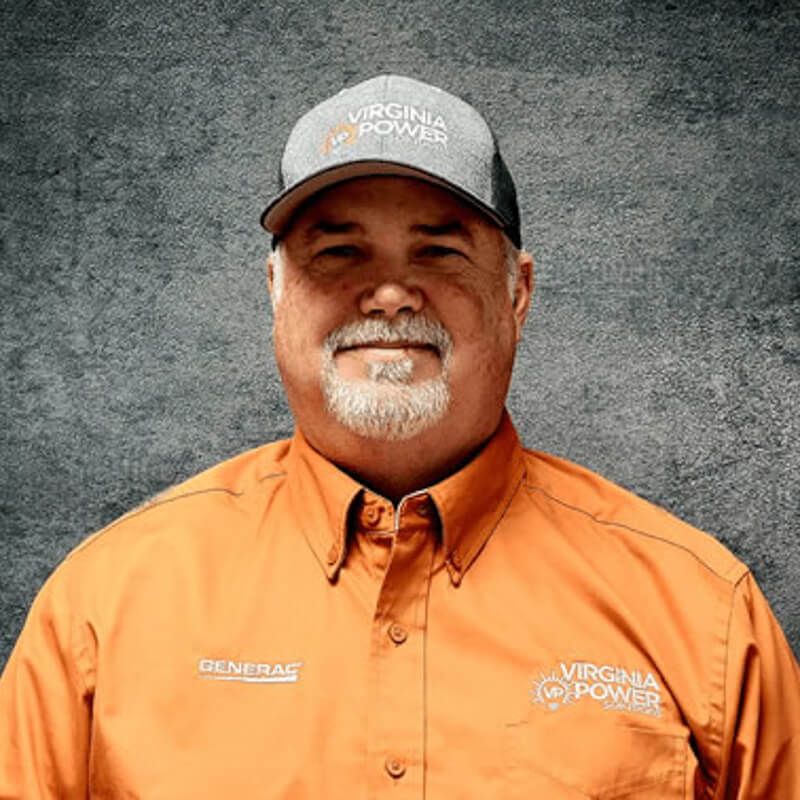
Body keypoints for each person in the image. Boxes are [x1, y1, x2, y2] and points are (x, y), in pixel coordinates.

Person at [1, 74, 797, 799]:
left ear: (517, 292)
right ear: (273, 290)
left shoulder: (705, 616)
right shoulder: (102, 611)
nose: (387, 295)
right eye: (338, 251)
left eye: (439, 250)